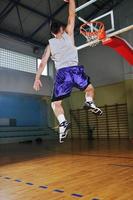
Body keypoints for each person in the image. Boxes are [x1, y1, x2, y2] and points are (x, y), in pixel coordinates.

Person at [33, 0, 102, 143]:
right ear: (62, 29)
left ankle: (63, 123)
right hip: (75, 70)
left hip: (62, 74)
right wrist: (71, 0)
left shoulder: (50, 45)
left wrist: (37, 78)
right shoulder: (68, 34)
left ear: (52, 33)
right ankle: (89, 101)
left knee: (55, 104)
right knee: (89, 88)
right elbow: (72, 14)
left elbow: (43, 63)